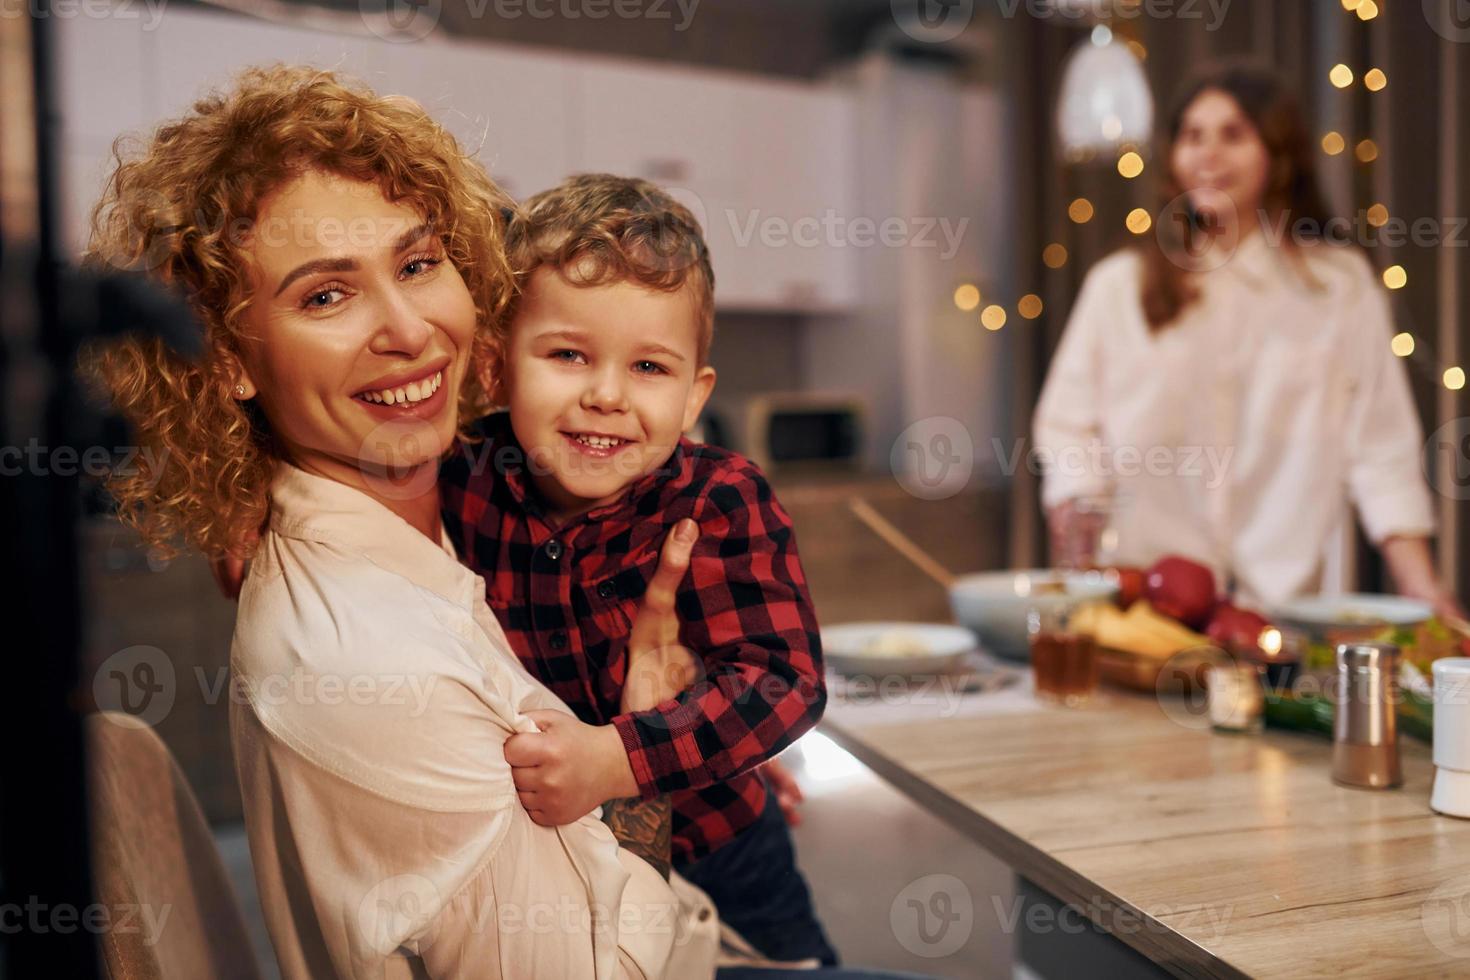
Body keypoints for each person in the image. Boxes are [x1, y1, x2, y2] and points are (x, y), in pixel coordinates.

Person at [439, 174, 836, 965]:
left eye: (651, 368)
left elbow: (783, 679)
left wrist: (616, 759)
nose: (608, 395)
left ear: (695, 395)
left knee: (797, 966)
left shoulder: (720, 497)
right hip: (556, 857)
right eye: (567, 354)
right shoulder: (463, 473)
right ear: (496, 368)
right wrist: (258, 504)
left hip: (722, 843)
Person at [1034, 62, 1464, 619]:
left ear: (1277, 152)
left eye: (1233, 135)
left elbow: (1380, 447)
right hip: (1146, 597)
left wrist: (1424, 590)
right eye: (1193, 136)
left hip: (1280, 610)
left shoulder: (1337, 287)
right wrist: (1082, 519)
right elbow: (1066, 422)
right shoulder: (1119, 285)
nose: (1208, 154)